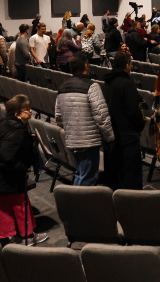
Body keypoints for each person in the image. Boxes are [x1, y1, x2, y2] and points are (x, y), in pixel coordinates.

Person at [0, 95, 44, 244]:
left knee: (6, 207)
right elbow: (7, 157)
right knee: (19, 206)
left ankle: (14, 234)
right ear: (17, 114)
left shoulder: (5, 124)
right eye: (27, 109)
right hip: (10, 177)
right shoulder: (18, 133)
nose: (31, 111)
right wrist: (23, 168)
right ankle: (27, 237)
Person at [55, 56, 115, 186]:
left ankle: (75, 198)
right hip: (88, 141)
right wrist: (109, 137)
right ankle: (78, 200)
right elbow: (101, 116)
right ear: (86, 66)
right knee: (87, 178)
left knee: (80, 173)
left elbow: (58, 117)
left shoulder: (62, 87)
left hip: (72, 139)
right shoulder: (92, 86)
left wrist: (71, 131)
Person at [99, 52, 146, 190]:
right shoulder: (127, 84)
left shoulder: (106, 83)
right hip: (127, 138)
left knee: (115, 177)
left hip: (111, 136)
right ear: (127, 66)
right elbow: (134, 112)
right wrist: (139, 126)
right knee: (129, 179)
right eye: (131, 64)